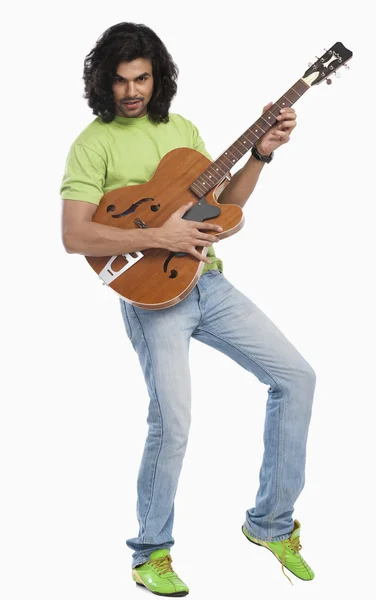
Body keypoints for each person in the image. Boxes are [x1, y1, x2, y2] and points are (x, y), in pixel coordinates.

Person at [60, 21, 316, 596]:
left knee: (297, 378)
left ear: (158, 77)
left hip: (209, 284)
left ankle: (271, 524)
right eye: (121, 80)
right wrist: (160, 235)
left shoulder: (182, 130)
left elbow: (222, 207)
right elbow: (75, 236)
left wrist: (261, 155)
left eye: (142, 78)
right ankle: (152, 552)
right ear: (105, 82)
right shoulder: (93, 143)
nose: (132, 91)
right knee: (172, 423)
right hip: (152, 297)